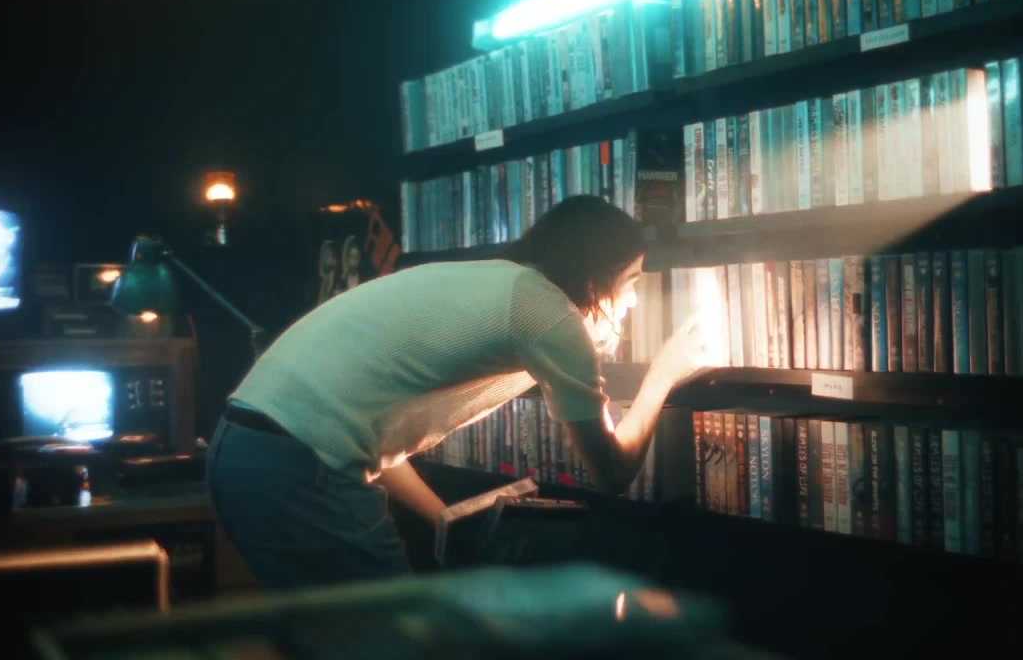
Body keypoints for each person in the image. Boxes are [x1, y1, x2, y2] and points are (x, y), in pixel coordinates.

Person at [206, 195, 706, 591]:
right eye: (631, 279)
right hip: (299, 467)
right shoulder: (549, 313)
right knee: (390, 638)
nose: (634, 298)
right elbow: (613, 472)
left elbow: (365, 432)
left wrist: (444, 519)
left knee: (337, 638)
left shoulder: (489, 282)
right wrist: (662, 375)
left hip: (241, 451)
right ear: (595, 275)